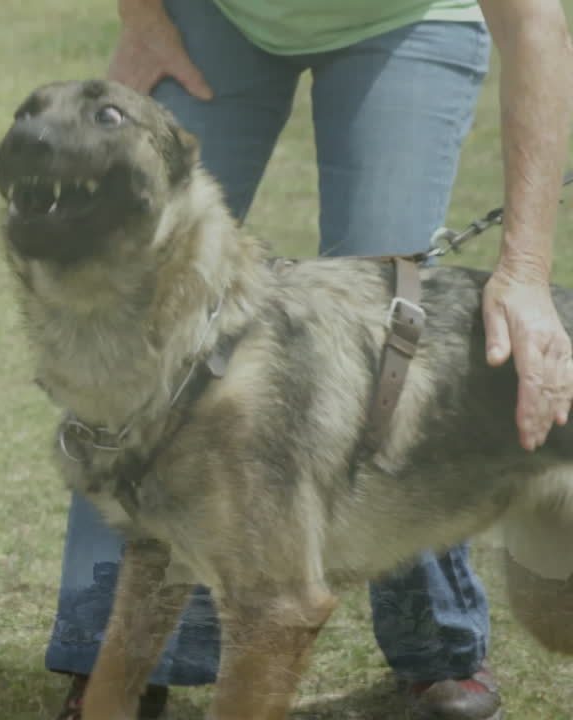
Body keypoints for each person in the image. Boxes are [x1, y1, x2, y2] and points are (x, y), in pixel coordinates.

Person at [46, 1, 573, 719]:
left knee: (393, 342)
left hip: (404, 17)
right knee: (133, 316)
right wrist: (143, 17)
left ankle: (435, 648)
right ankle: (111, 674)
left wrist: (526, 271)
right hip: (222, 14)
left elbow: (535, 18)